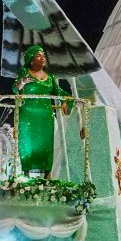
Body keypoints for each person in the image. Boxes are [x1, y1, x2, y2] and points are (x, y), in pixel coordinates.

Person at [11, 45, 71, 177]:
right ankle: (26, 173)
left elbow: (58, 92)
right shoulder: (24, 72)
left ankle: (47, 174)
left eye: (43, 55)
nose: (42, 58)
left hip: (45, 115)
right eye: (39, 55)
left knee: (46, 143)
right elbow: (15, 89)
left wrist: (65, 100)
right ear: (31, 60)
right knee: (28, 144)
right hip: (28, 114)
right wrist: (23, 82)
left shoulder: (50, 77)